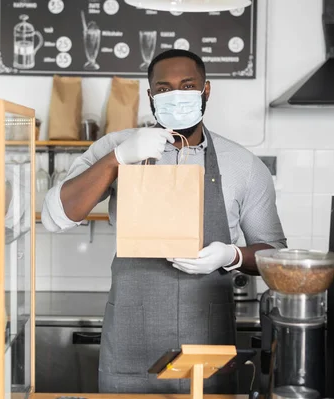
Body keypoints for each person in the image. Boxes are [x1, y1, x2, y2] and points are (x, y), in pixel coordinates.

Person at [41, 49, 286, 394]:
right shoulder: (116, 147)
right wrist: (119, 158)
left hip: (207, 345)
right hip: (130, 340)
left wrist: (231, 256)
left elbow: (275, 256)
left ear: (206, 90)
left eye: (187, 86)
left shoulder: (243, 165)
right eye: (164, 88)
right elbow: (56, 216)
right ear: (150, 95)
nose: (176, 95)